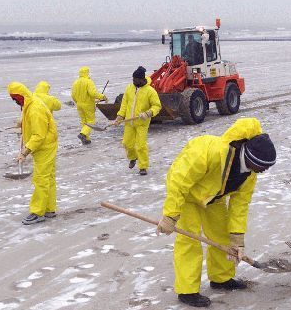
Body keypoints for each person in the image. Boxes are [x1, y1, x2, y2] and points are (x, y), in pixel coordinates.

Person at [156, 118, 276, 307]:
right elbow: (179, 181)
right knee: (190, 240)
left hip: (213, 198)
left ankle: (221, 278)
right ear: (252, 159)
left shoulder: (250, 175)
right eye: (263, 167)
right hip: (187, 195)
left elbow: (240, 205)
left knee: (222, 237)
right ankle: (187, 291)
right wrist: (170, 215)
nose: (265, 171)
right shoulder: (209, 152)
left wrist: (237, 237)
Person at [7, 82, 59, 225]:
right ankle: (49, 208)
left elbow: (39, 135)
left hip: (45, 146)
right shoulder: (29, 103)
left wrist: (25, 152)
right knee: (48, 177)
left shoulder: (35, 108)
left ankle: (38, 212)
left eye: (16, 98)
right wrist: (22, 123)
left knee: (41, 178)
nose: (15, 101)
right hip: (45, 144)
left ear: (22, 95)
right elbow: (29, 119)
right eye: (13, 99)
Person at [114, 66, 161, 176]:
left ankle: (143, 167)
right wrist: (119, 117)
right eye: (133, 79)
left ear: (141, 79)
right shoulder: (129, 88)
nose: (133, 81)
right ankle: (133, 157)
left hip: (142, 123)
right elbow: (124, 105)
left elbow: (157, 106)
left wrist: (148, 113)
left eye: (135, 79)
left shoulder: (150, 91)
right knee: (126, 143)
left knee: (140, 146)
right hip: (129, 122)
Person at [71, 66, 107, 145]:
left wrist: (77, 101)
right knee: (91, 121)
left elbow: (73, 95)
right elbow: (93, 93)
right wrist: (102, 96)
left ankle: (86, 139)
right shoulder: (88, 81)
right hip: (88, 105)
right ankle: (82, 134)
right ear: (87, 72)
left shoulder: (75, 82)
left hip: (79, 105)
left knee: (84, 122)